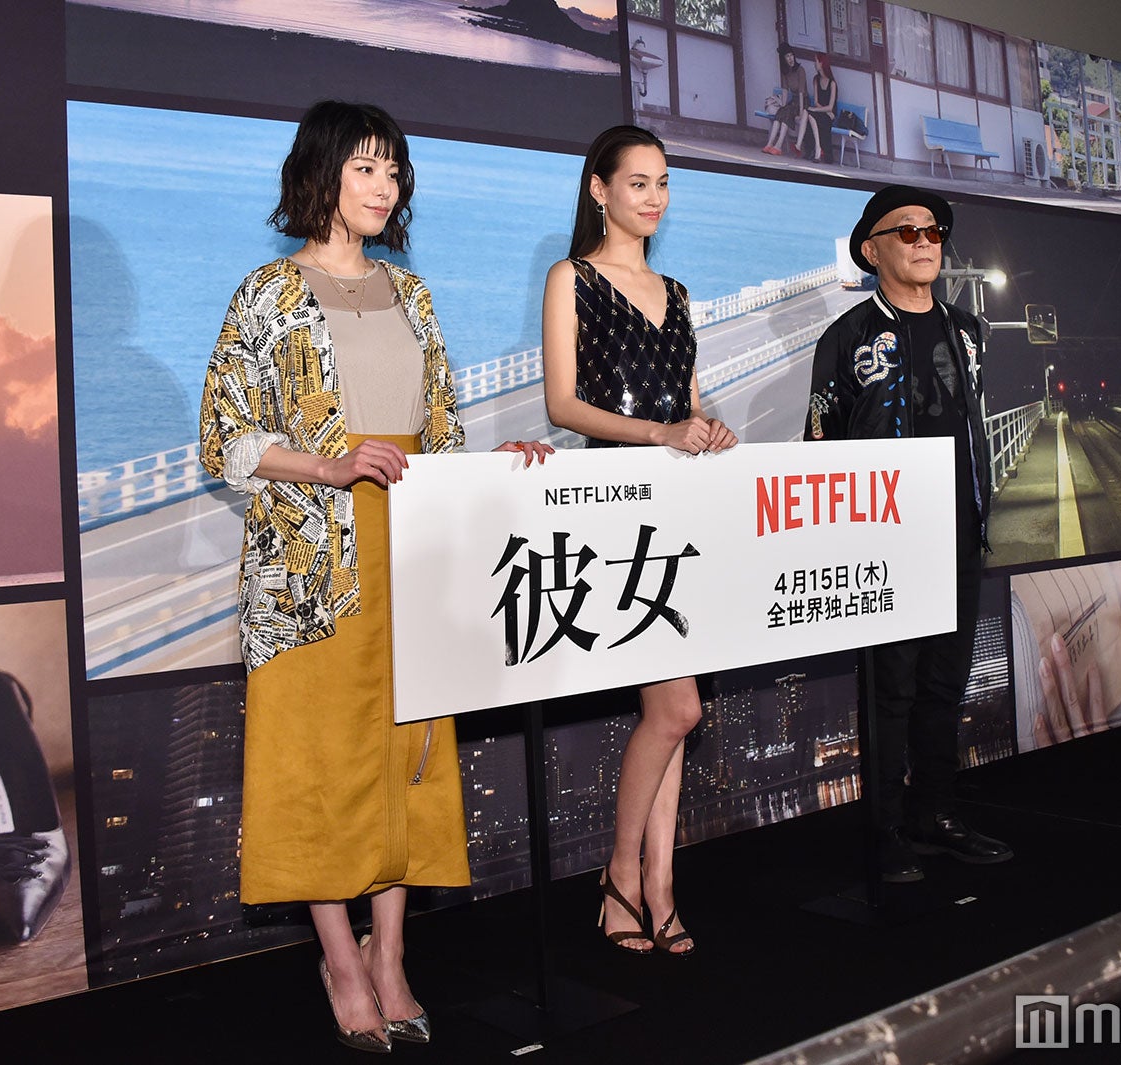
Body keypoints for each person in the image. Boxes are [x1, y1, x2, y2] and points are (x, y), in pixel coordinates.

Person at [198, 100, 549, 1052]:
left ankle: (390, 956)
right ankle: (340, 962)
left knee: (408, 755)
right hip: (306, 570)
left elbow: (440, 436)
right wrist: (328, 464)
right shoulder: (266, 293)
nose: (384, 186)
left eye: (394, 171)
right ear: (319, 174)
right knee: (314, 761)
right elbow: (223, 438)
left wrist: (500, 463)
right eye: (365, 167)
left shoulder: (413, 294)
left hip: (412, 552)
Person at [540, 125, 738, 955]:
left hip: (681, 507)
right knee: (679, 706)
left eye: (663, 183)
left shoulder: (679, 291)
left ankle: (657, 886)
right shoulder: (572, 279)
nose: (654, 198)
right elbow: (563, 405)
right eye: (637, 183)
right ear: (599, 189)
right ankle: (624, 871)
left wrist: (706, 428)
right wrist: (659, 434)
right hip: (616, 510)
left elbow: (686, 403)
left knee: (671, 712)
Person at [804, 184, 1013, 883]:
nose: (925, 242)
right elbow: (820, 444)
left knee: (945, 683)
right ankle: (886, 829)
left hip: (959, 531)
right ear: (872, 251)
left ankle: (936, 813)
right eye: (907, 232)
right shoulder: (846, 338)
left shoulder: (969, 331)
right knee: (890, 689)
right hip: (886, 542)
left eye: (933, 231)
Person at [762, 42, 807, 157]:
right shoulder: (785, 73)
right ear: (784, 59)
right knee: (780, 113)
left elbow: (801, 92)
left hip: (802, 102)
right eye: (787, 56)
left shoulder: (800, 70)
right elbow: (785, 91)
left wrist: (801, 112)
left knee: (787, 115)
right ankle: (769, 144)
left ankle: (778, 146)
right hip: (793, 102)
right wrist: (782, 106)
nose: (790, 58)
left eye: (791, 55)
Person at [796, 53, 837, 162]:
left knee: (810, 114)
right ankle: (812, 148)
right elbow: (816, 101)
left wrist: (817, 110)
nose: (814, 64)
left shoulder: (832, 83)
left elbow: (831, 107)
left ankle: (804, 146)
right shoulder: (816, 79)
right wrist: (819, 109)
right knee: (808, 113)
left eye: (816, 61)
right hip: (821, 112)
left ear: (822, 63)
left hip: (829, 115)